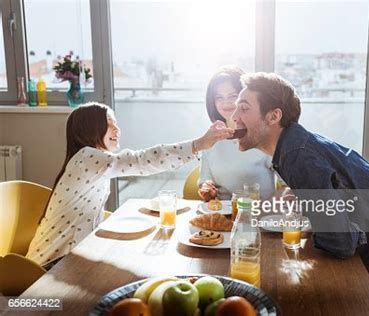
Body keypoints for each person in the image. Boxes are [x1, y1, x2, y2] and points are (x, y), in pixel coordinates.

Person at [231, 72, 369, 314]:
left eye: (244, 108)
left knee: (304, 298)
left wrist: (317, 216)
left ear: (273, 116)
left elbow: (340, 243)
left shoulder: (298, 156)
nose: (233, 116)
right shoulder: (298, 146)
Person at [26, 102, 233, 268]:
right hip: (51, 265)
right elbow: (140, 160)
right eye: (109, 123)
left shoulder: (89, 160)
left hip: (71, 255)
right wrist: (197, 144)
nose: (117, 129)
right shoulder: (87, 158)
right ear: (89, 127)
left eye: (116, 123)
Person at [198, 66, 275, 201]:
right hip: (224, 216)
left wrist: (269, 209)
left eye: (233, 96)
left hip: (259, 216)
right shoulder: (211, 139)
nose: (226, 103)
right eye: (219, 98)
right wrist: (207, 190)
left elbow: (288, 186)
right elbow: (205, 181)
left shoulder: (264, 135)